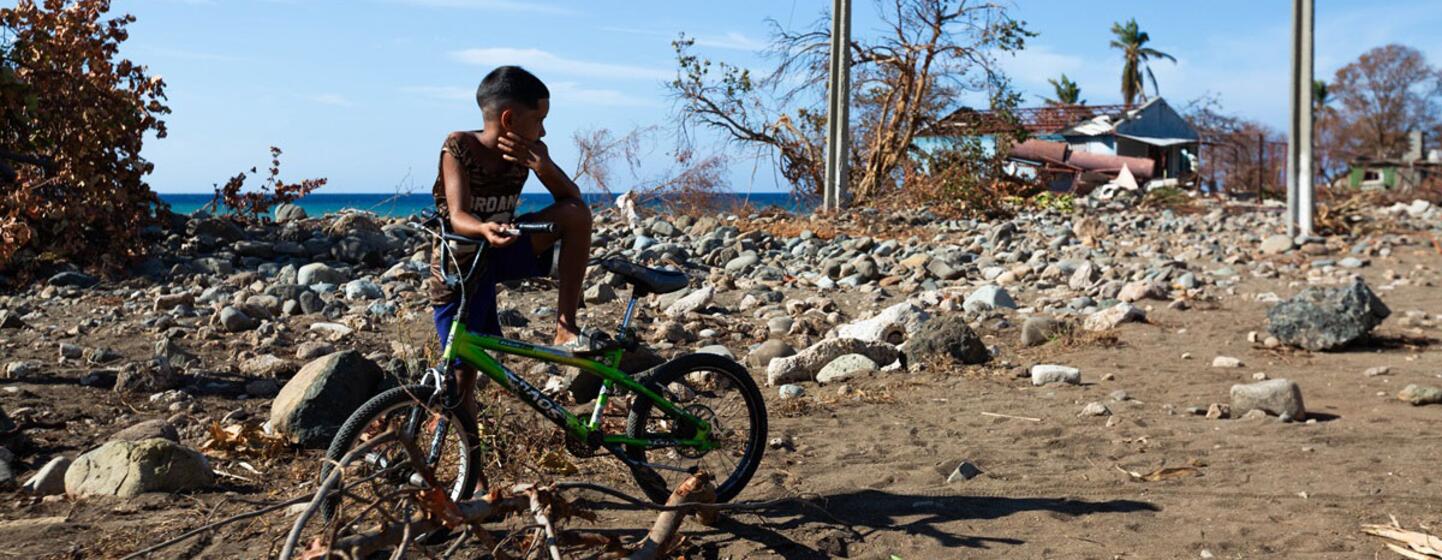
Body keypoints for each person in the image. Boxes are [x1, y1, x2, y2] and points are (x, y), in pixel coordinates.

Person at [427, 65, 598, 415]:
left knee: (576, 214)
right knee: (461, 380)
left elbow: (574, 202)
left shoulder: (530, 152)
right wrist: (484, 228)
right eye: (539, 119)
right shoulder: (459, 146)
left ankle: (565, 327)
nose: (544, 129)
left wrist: (544, 166)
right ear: (509, 119)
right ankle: (469, 466)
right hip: (459, 267)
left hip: (501, 251)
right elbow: (457, 215)